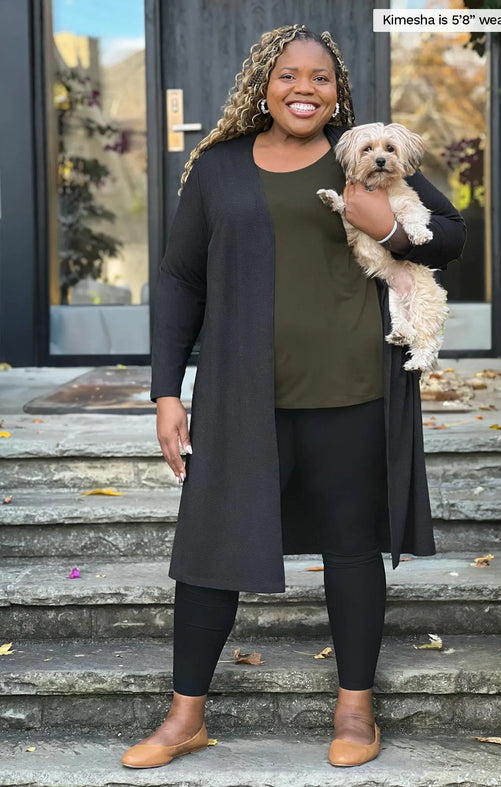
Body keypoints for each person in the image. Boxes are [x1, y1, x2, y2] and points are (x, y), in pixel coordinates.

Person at [121, 24, 465, 770]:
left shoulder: (362, 157)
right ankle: (185, 719)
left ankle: (355, 712)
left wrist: (393, 233)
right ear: (263, 85)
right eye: (289, 75)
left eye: (320, 77)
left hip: (352, 386)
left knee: (350, 546)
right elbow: (181, 280)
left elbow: (451, 235)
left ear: (337, 90)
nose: (304, 88)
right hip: (242, 395)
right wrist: (165, 391)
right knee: (209, 550)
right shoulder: (217, 169)